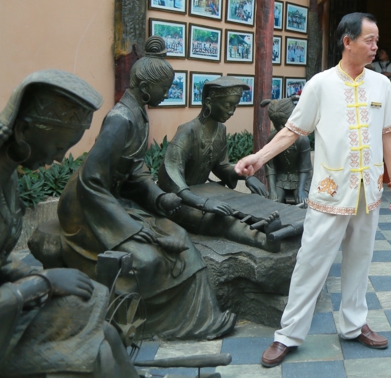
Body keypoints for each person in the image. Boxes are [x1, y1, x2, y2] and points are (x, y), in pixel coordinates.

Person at [235, 12, 391, 368]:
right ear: (348, 41)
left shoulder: (381, 85)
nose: (375, 47)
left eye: (376, 40)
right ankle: (288, 335)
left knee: (360, 261)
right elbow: (292, 131)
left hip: (368, 192)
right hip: (330, 192)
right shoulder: (320, 84)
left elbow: (388, 133)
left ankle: (354, 324)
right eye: (369, 40)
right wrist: (259, 157)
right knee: (311, 263)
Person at [57, 36, 236, 339]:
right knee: (147, 258)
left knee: (179, 238)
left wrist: (160, 198)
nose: (166, 94)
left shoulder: (138, 114)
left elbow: (136, 171)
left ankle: (201, 319)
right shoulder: (120, 120)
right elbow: (91, 180)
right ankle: (156, 324)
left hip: (113, 200)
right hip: (88, 207)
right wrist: (128, 226)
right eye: (164, 89)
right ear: (144, 88)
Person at [0, 70, 138, 377]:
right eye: (58, 147)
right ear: (23, 130)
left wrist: (35, 276)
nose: (61, 158)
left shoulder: (7, 179)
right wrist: (41, 283)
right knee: (95, 352)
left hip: (8, 309)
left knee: (106, 331)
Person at [158, 76, 281, 251]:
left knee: (243, 205)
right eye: (227, 105)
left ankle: (265, 227)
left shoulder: (220, 130)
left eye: (234, 106)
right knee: (220, 219)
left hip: (205, 193)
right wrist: (203, 203)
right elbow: (171, 173)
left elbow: (221, 166)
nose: (231, 111)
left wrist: (244, 175)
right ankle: (264, 241)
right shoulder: (187, 132)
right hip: (180, 201)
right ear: (209, 102)